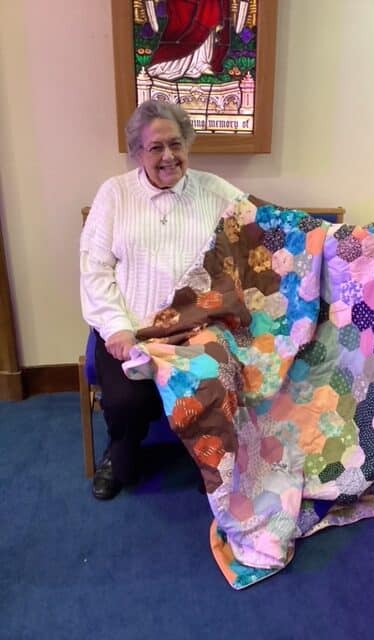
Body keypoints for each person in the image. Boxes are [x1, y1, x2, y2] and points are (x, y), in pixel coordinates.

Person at [80, 100, 243, 500]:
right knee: (126, 401)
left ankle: (213, 460)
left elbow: (265, 229)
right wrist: (116, 328)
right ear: (138, 153)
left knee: (217, 379)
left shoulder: (214, 191)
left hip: (196, 328)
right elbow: (94, 269)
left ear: (187, 144)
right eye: (156, 148)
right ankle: (118, 453)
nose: (169, 156)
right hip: (131, 329)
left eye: (176, 144)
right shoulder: (114, 194)